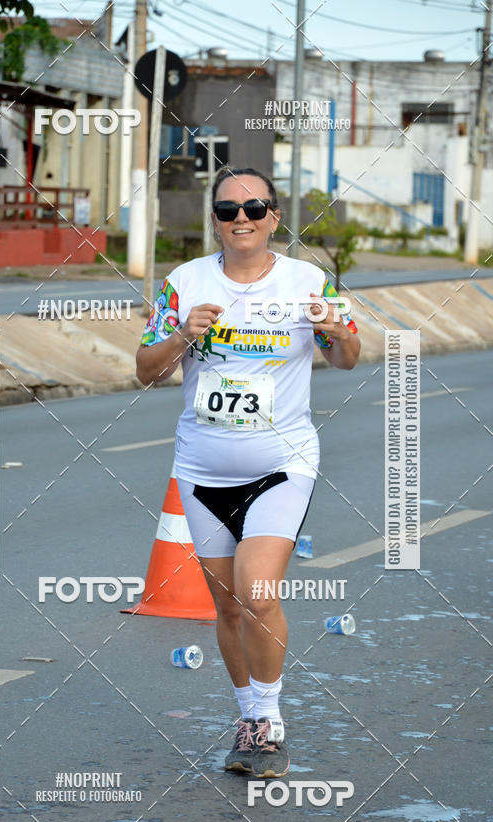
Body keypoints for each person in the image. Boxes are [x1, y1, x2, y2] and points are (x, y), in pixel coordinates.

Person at [136, 167, 360, 779]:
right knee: (229, 608)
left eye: (255, 208)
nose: (242, 218)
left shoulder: (308, 280)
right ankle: (247, 718)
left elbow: (347, 358)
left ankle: (270, 721)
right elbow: (146, 371)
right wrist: (182, 336)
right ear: (214, 219)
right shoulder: (184, 282)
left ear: (274, 219)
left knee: (259, 593)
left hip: (282, 466)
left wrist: (335, 332)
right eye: (229, 209)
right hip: (202, 470)